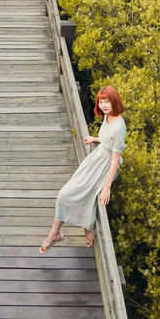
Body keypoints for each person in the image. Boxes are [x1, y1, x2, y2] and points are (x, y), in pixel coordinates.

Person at [40, 85, 126, 253]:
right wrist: (96, 138)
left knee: (89, 195)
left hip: (106, 165)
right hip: (97, 158)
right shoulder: (108, 117)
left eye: (107, 101)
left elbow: (115, 158)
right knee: (65, 193)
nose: (103, 105)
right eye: (101, 102)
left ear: (114, 101)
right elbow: (107, 139)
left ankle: (87, 227)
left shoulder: (119, 126)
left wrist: (107, 186)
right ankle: (55, 233)